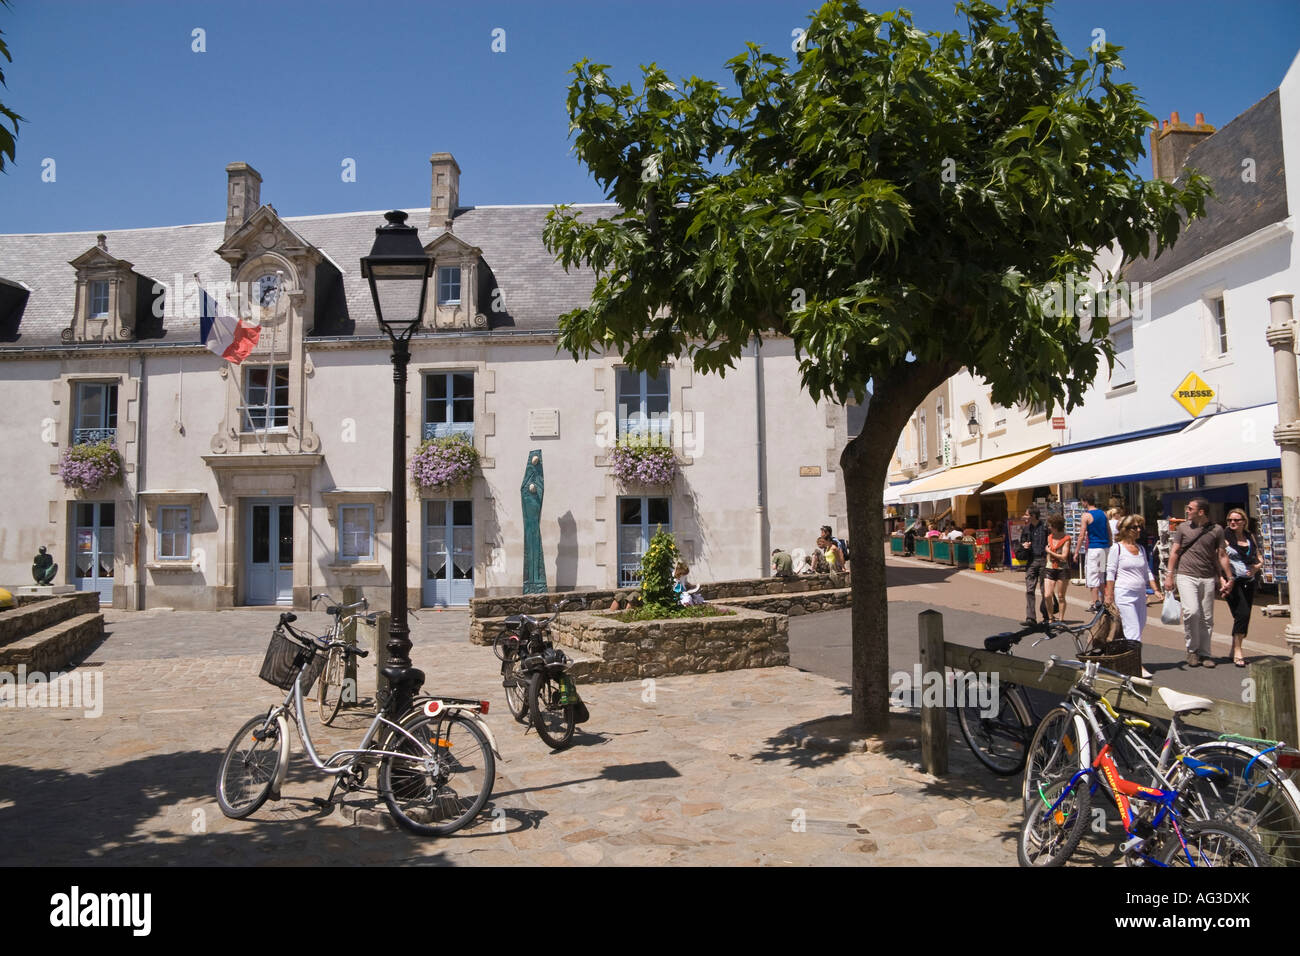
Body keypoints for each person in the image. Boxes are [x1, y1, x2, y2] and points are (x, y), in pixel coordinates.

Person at [1162, 497, 1232, 668]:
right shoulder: (1183, 528)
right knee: (1192, 612)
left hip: (1207, 577)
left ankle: (1205, 653)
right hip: (1187, 575)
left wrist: (1229, 577)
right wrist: (1169, 575)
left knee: (1207, 617)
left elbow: (1221, 555)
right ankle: (1192, 649)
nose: (1187, 511)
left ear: (1201, 512)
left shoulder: (1216, 530)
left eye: (1190, 508)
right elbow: (1175, 552)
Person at [1105, 514, 1164, 678]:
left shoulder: (1141, 549)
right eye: (1135, 527)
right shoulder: (1117, 549)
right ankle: (1136, 666)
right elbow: (1110, 573)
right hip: (1124, 593)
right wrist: (1109, 595)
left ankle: (1125, 660)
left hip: (1140, 594)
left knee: (1139, 627)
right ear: (1125, 530)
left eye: (1140, 527)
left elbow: (1147, 572)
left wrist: (1156, 590)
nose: (1139, 530)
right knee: (1133, 630)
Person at [1222, 508, 1262, 667]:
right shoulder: (1224, 537)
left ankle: (1234, 650)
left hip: (1249, 581)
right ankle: (1238, 651)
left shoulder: (1250, 536)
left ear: (1244, 522)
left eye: (1236, 520)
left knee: (1243, 616)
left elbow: (1259, 558)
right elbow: (1218, 558)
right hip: (1232, 581)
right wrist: (1222, 579)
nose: (1232, 522)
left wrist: (1256, 568)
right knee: (1242, 614)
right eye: (1230, 520)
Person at [1076, 494, 1113, 607]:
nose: (1082, 504)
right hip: (1104, 548)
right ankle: (1104, 600)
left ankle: (1095, 602)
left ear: (1086, 502)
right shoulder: (1103, 514)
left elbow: (1081, 535)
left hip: (1094, 548)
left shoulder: (1086, 515)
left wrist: (1076, 551)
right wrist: (1110, 543)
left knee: (1092, 576)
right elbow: (1109, 530)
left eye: (1082, 502)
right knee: (1101, 574)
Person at [1018, 506, 1050, 626]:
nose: (1025, 517)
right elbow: (1022, 542)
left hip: (1043, 560)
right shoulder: (1026, 529)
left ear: (1033, 516)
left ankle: (1047, 616)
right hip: (1031, 561)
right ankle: (1031, 618)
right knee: (1029, 590)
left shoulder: (1045, 527)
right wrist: (1024, 546)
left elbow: (1051, 543)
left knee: (1044, 590)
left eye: (1026, 515)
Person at [1044, 514, 1072, 622]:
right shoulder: (1049, 537)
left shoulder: (1066, 539)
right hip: (1050, 568)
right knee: (1047, 595)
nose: (1049, 527)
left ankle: (1061, 619)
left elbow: (1064, 557)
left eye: (1050, 525)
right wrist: (1048, 562)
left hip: (1062, 569)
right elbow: (1048, 555)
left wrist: (1049, 552)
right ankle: (1050, 618)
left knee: (1061, 596)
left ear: (1055, 526)